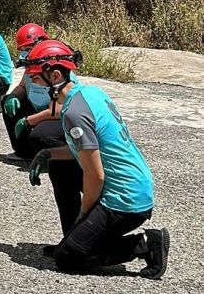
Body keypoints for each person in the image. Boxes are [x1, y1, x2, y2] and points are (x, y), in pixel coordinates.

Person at [24, 40, 169, 279]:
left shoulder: (73, 113)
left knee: (68, 259)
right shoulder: (89, 93)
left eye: (37, 79)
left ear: (55, 75)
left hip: (126, 201)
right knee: (58, 167)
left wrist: (84, 215)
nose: (34, 84)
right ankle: (73, 239)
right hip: (134, 185)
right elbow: (86, 151)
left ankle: (144, 244)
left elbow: (95, 174)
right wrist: (48, 154)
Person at [2, 24, 75, 162]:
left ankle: (60, 156)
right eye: (22, 50)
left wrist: (28, 121)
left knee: (40, 135)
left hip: (55, 116)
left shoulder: (55, 73)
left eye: (28, 49)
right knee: (8, 102)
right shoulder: (31, 67)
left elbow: (58, 111)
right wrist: (13, 96)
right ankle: (24, 152)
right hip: (40, 109)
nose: (25, 53)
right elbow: (23, 86)